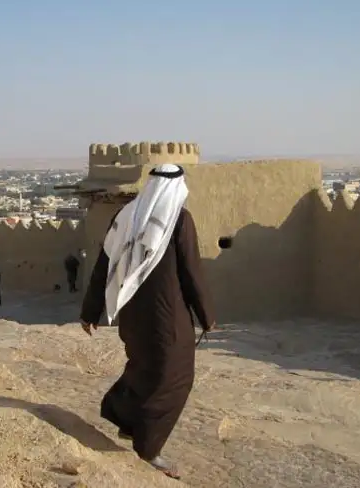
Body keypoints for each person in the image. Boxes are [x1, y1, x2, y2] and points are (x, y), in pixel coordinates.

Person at [79, 163, 215, 480]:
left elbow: (103, 266)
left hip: (132, 316)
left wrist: (91, 311)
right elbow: (192, 272)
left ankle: (126, 419)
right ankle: (149, 448)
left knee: (144, 368)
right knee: (174, 379)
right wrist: (206, 315)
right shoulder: (179, 220)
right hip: (167, 318)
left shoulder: (125, 217)